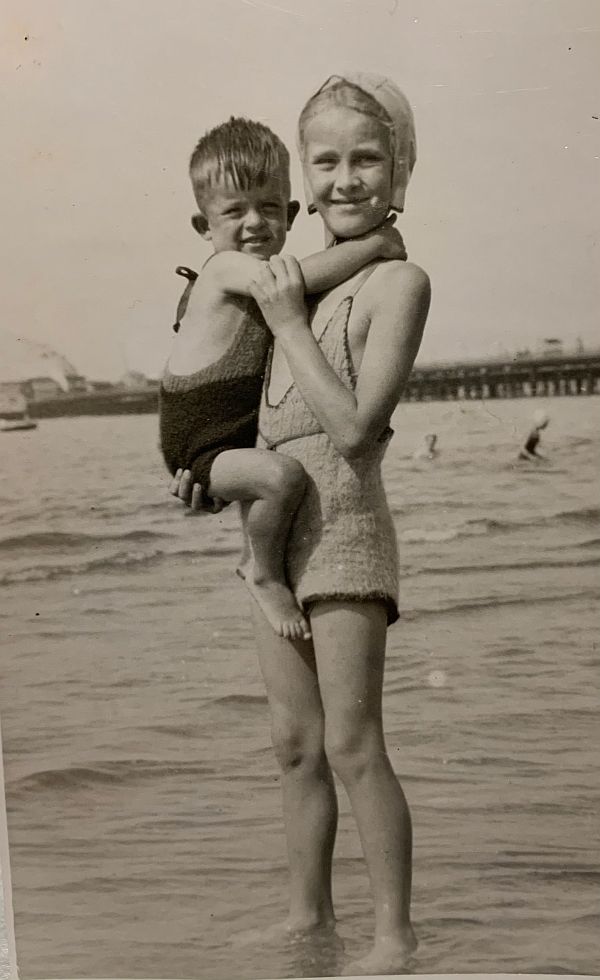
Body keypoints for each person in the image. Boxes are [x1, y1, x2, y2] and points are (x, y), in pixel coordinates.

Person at [172, 74, 431, 975]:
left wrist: (287, 316)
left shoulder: (397, 278)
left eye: (369, 159)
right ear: (304, 181)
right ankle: (309, 925)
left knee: (354, 742)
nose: (347, 178)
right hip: (281, 538)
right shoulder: (295, 283)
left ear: (402, 170)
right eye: (328, 160)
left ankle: (394, 939)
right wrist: (211, 483)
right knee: (293, 747)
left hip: (348, 530)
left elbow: (354, 431)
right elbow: (264, 422)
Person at [160, 116, 407, 641]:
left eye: (269, 207)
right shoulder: (224, 269)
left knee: (275, 477)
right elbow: (294, 280)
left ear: (291, 213)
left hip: (226, 437)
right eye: (233, 211)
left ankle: (260, 561)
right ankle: (262, 571)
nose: (254, 222)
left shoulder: (253, 281)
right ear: (204, 228)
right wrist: (378, 244)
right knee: (282, 478)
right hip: (197, 440)